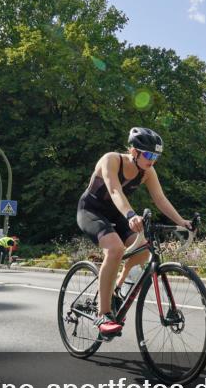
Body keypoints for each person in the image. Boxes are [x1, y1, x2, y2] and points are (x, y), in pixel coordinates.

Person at [76, 127, 193, 337]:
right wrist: (131, 215)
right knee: (115, 249)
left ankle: (116, 289)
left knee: (142, 249)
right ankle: (103, 314)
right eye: (148, 154)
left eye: (156, 156)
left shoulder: (148, 171)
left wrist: (181, 221)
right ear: (134, 151)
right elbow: (114, 190)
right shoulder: (111, 160)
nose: (152, 160)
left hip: (117, 213)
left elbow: (160, 199)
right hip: (91, 211)